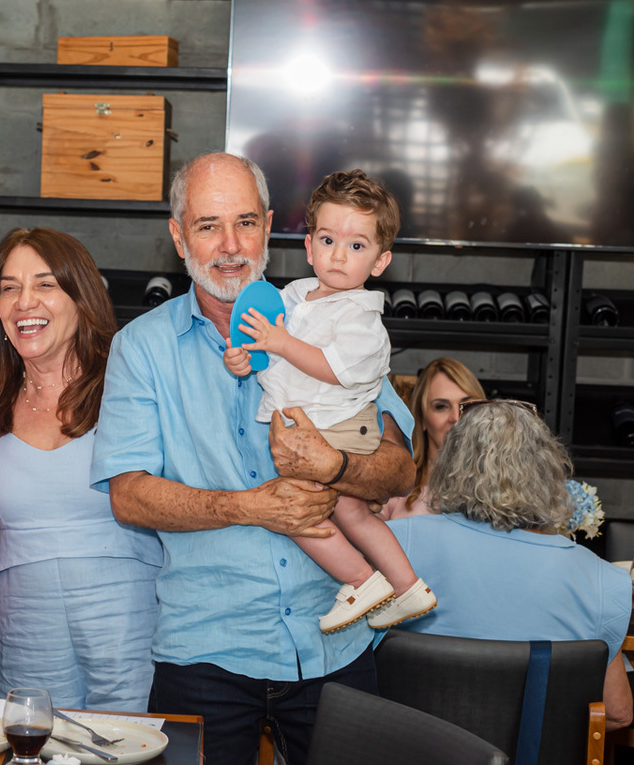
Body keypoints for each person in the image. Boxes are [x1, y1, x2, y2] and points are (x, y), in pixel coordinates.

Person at [91, 152, 416, 765]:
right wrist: (250, 507)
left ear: (269, 226)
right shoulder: (141, 348)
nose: (230, 245)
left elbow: (401, 469)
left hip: (335, 644)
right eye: (208, 225)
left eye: (245, 222)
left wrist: (337, 467)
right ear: (178, 235)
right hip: (204, 655)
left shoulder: (333, 320)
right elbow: (128, 494)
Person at [225, 170, 434, 634]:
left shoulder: (360, 316)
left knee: (292, 509)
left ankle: (361, 581)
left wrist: (279, 344)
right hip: (322, 424)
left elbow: (332, 367)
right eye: (327, 240)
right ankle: (408, 586)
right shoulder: (298, 295)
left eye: (357, 246)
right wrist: (246, 357)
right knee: (352, 512)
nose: (338, 255)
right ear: (308, 246)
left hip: (339, 427)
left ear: (380, 262)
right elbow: (266, 346)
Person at [0, 227, 162, 710]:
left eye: (45, 285)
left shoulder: (131, 388)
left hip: (129, 627)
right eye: (9, 288)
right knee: (33, 751)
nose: (23, 302)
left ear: (82, 297)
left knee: (129, 751)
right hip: (25, 633)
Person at [386, 399, 633, 730]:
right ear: (547, 471)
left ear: (451, 465)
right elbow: (616, 713)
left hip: (410, 748)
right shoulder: (601, 579)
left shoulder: (393, 544)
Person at [378, 357, 486, 519]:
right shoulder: (395, 486)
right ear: (422, 419)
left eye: (467, 406)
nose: (456, 418)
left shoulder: (503, 489)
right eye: (441, 406)